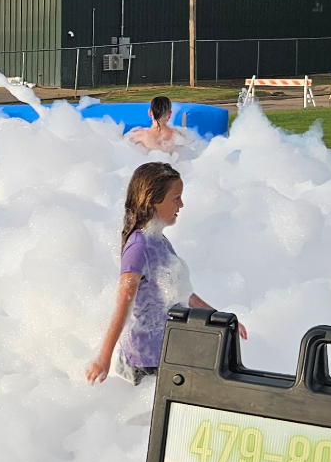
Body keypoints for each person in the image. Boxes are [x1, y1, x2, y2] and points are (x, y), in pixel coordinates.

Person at [86, 161, 247, 386]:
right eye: (176, 198)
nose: (181, 204)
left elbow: (183, 295)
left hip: (164, 354)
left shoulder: (160, 242)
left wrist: (222, 318)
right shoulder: (138, 246)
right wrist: (103, 358)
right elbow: (124, 302)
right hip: (141, 361)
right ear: (153, 200)